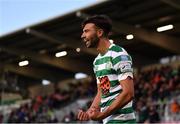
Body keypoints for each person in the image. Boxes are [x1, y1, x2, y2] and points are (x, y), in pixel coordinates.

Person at [77, 15, 136, 123]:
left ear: (100, 33)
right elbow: (102, 91)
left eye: (86, 31)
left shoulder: (118, 54)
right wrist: (90, 112)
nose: (82, 36)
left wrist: (102, 115)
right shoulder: (97, 61)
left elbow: (128, 93)